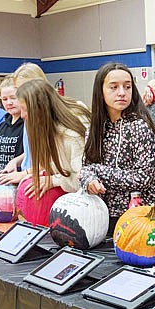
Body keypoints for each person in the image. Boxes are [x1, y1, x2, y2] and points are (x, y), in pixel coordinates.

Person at [79, 62, 155, 233]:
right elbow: (85, 169)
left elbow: (143, 178)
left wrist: (97, 171)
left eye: (127, 87)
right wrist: (89, 180)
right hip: (102, 215)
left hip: (139, 218)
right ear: (100, 91)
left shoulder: (140, 126)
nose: (122, 93)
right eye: (114, 87)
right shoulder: (95, 128)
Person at [17, 79, 90, 220]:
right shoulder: (44, 127)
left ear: (40, 109)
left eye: (25, 110)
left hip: (83, 212)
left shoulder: (71, 135)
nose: (22, 115)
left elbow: (83, 180)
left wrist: (54, 181)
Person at [0, 62, 49, 185]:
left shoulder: (46, 119)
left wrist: (23, 174)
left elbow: (49, 162)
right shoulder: (28, 116)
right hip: (29, 179)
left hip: (42, 181)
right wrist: (17, 161)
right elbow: (33, 150)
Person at [0, 77, 25, 176]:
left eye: (13, 98)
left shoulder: (27, 126)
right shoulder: (1, 127)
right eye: (5, 99)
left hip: (20, 182)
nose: (9, 103)